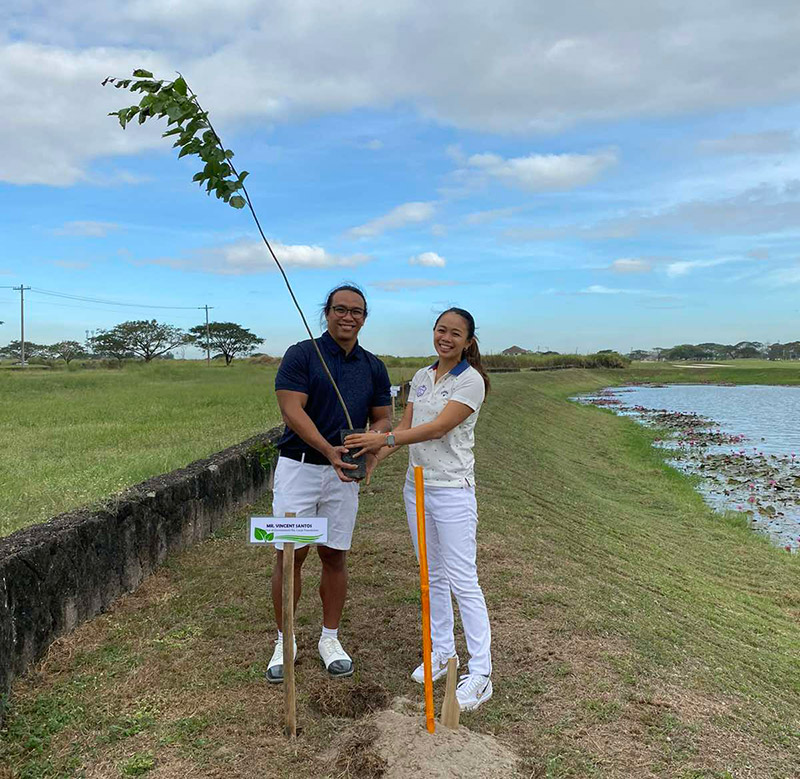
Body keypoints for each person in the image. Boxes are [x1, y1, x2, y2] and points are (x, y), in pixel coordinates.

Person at [345, 307, 493, 711]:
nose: (446, 338)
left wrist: (383, 441)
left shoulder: (471, 381)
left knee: (463, 579)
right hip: (417, 488)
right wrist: (372, 459)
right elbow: (405, 429)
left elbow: (438, 427)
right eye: (441, 330)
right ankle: (442, 653)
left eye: (456, 333)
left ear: (468, 341)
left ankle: (481, 673)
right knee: (431, 574)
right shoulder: (423, 377)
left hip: (452, 490)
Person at [267, 284, 392, 683]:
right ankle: (284, 641)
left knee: (334, 554)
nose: (348, 317)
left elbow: (383, 417)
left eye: (357, 311)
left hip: (343, 475)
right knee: (291, 554)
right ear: (327, 312)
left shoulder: (373, 366)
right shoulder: (302, 354)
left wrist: (371, 447)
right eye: (340, 309)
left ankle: (330, 639)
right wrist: (326, 448)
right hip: (300, 469)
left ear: (365, 318)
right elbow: (291, 409)